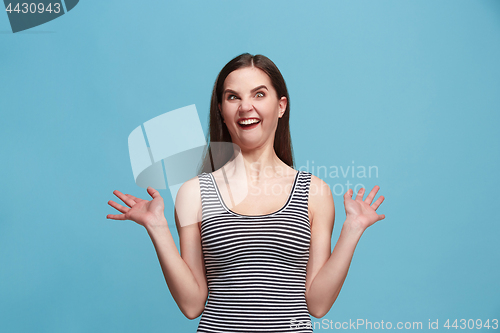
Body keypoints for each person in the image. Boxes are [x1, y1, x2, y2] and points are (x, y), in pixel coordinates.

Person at [107, 53, 386, 332]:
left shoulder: (314, 192)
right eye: (233, 97)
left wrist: (352, 229)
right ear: (221, 111)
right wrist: (157, 227)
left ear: (281, 106)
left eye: (259, 94)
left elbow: (317, 304)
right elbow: (192, 305)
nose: (245, 106)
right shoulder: (195, 193)